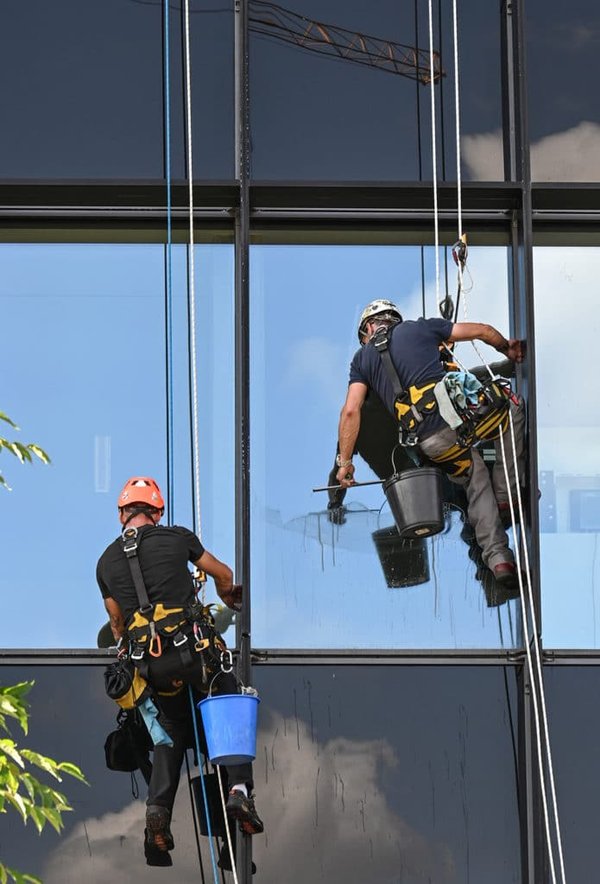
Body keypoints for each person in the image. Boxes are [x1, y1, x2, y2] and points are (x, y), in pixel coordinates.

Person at [96, 477, 263, 866]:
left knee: (169, 729)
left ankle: (158, 812)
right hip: (195, 655)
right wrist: (226, 594)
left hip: (152, 666)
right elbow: (223, 574)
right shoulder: (176, 537)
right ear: (157, 513)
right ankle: (238, 789)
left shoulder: (105, 562)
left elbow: (117, 623)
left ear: (122, 515)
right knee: (227, 697)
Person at [336, 300, 525, 585]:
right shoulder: (420, 328)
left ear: (369, 328)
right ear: (394, 320)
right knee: (511, 406)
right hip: (458, 416)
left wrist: (345, 463)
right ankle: (505, 496)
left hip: (429, 440)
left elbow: (351, 411)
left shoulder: (362, 360)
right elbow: (484, 331)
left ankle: (499, 560)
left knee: (474, 474)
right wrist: (507, 349)